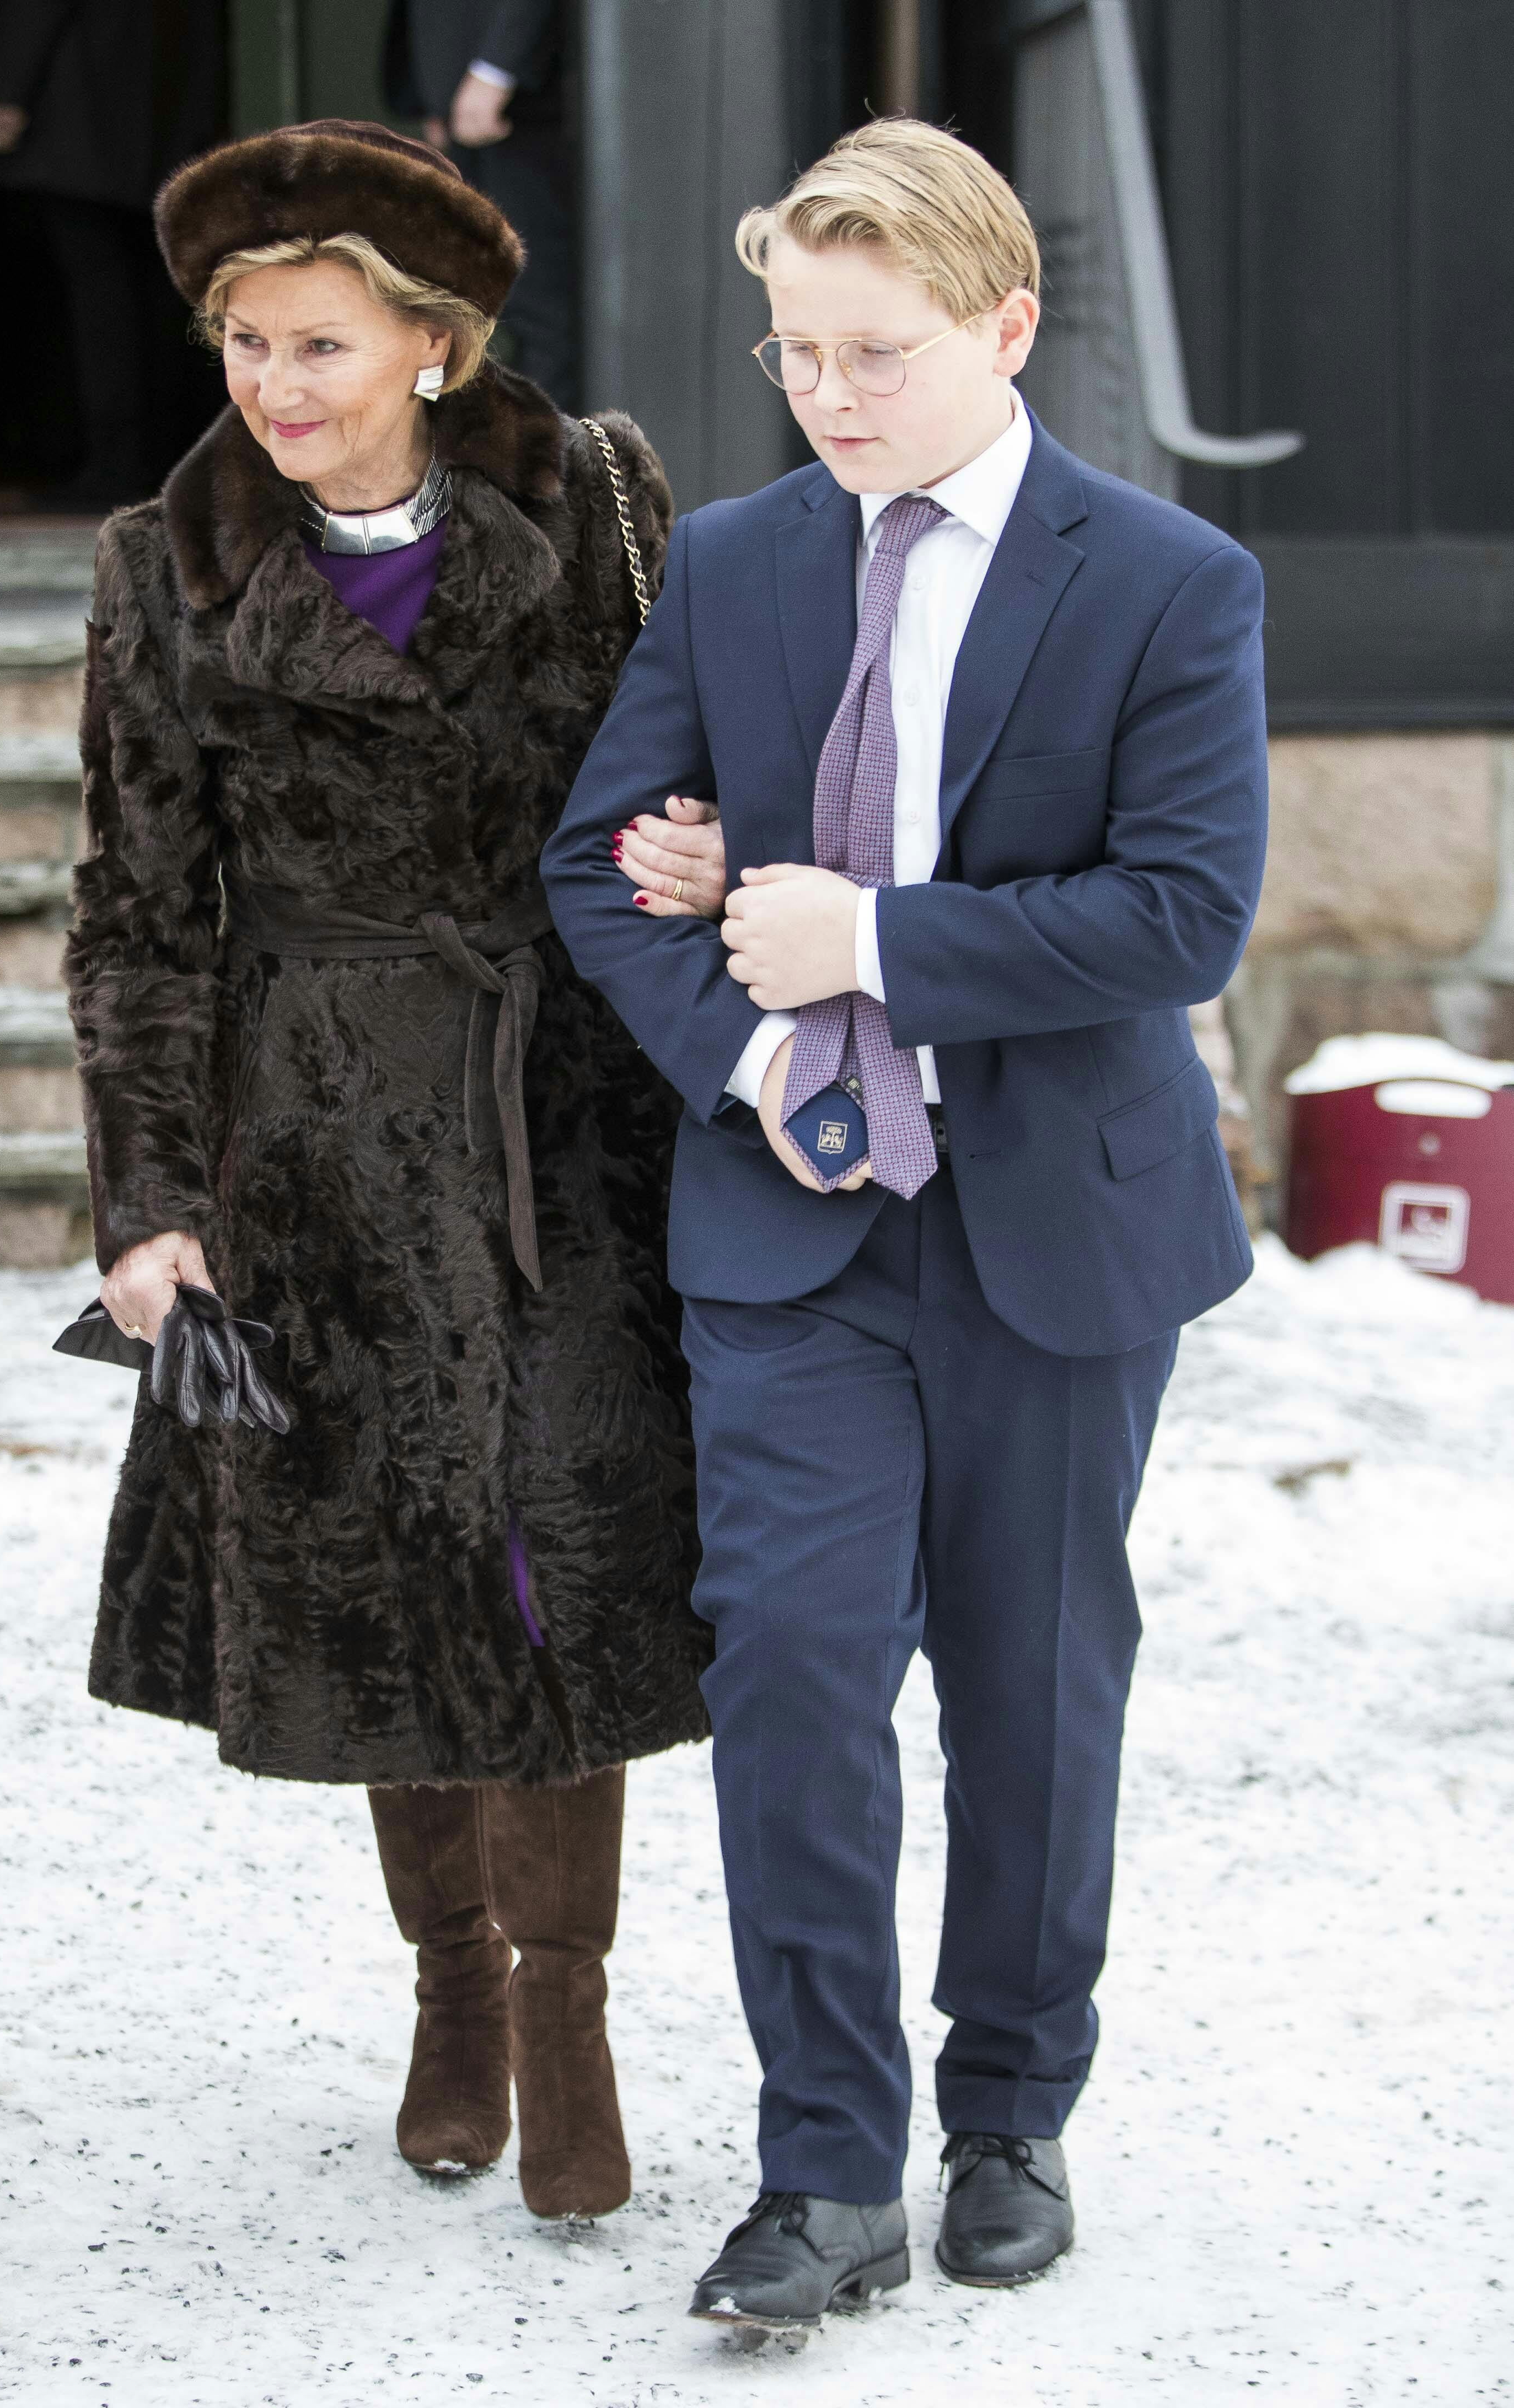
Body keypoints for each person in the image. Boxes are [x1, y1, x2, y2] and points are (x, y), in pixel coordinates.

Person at [543, 117, 1266, 2329]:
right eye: (790, 358)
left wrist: (868, 935)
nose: (827, 398)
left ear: (1001, 327)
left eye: (870, 352)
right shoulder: (743, 559)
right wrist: (762, 1053)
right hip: (792, 1225)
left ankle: (1007, 2113)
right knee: (783, 1667)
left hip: (1056, 1225)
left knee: (1033, 1693)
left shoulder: (1162, 578)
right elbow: (602, 860)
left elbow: (1180, 912)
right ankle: (825, 2162)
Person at [65, 119, 728, 2222]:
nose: (273, 382)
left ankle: (570, 2006)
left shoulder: (600, 505)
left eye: (321, 342)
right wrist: (152, 1199)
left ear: (435, 348)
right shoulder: (164, 568)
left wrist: (712, 876)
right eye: (246, 342)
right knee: (384, 1567)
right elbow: (138, 910)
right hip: (313, 1135)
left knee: (563, 1562)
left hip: (565, 1120)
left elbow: (701, 766)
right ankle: (452, 1989)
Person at [0, 0, 224, 506]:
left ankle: (116, 465)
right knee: (150, 290)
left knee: (102, 298)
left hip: (78, 118)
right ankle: (154, 457)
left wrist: (9, 92)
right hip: (160, 114)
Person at [386, 0, 579, 411]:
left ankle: (540, 468)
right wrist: (430, 90)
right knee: (456, 309)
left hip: (518, 104)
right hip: (462, 102)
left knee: (543, 319)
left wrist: (497, 69)